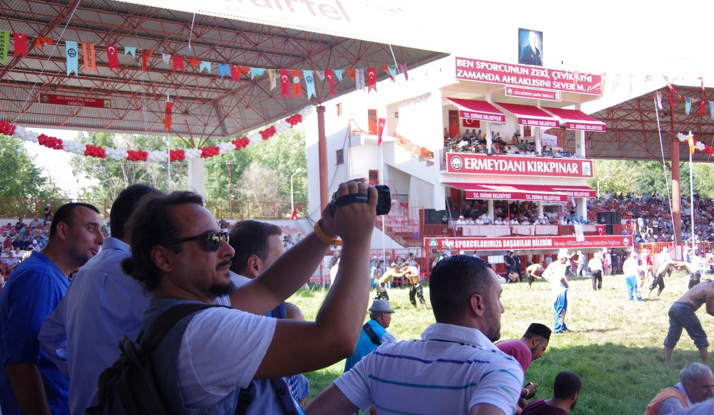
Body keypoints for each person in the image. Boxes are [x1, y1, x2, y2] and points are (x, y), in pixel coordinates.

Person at [118, 182, 378, 414]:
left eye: (223, 236)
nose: (228, 249)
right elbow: (335, 340)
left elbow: (269, 289)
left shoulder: (178, 314)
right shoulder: (202, 333)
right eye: (210, 241)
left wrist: (326, 230)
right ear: (163, 258)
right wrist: (358, 239)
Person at [306, 256, 524, 415]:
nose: (502, 308)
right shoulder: (500, 368)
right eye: (498, 297)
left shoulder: (382, 358)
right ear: (477, 304)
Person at [38, 185, 160, 415]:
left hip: (83, 404)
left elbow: (50, 336)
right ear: (145, 223)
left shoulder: (89, 269)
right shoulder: (139, 273)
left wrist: (80, 371)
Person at [0, 203, 104, 415]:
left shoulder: (53, 276)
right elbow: (20, 364)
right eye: (91, 229)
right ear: (63, 230)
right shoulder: (40, 278)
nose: (101, 239)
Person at [226, 219, 310, 413]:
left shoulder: (273, 307)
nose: (287, 264)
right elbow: (338, 340)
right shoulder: (233, 311)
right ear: (255, 265)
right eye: (281, 258)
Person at [497, 323, 551, 411]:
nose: (541, 354)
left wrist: (526, 409)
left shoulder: (511, 344)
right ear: (536, 341)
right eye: (543, 349)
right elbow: (513, 390)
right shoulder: (524, 351)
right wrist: (527, 392)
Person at [663, 281, 714, 365]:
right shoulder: (711, 292)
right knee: (699, 335)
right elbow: (710, 310)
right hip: (684, 309)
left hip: (674, 307)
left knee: (672, 336)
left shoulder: (705, 282)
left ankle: (667, 362)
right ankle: (706, 361)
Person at [343, 300, 396, 373]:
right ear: (383, 315)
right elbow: (395, 362)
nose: (390, 318)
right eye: (390, 315)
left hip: (350, 379)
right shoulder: (385, 336)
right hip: (368, 379)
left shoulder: (359, 331)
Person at [644, 363, 714, 415]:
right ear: (688, 384)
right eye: (705, 387)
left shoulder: (691, 398)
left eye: (712, 386)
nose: (710, 393)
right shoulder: (672, 402)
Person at [541, 251, 570, 333]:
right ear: (563, 258)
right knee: (561, 308)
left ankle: (562, 325)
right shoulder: (560, 266)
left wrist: (552, 283)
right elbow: (561, 278)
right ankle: (558, 327)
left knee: (557, 307)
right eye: (566, 258)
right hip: (561, 289)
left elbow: (544, 275)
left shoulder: (552, 264)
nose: (567, 260)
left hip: (555, 289)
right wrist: (566, 284)